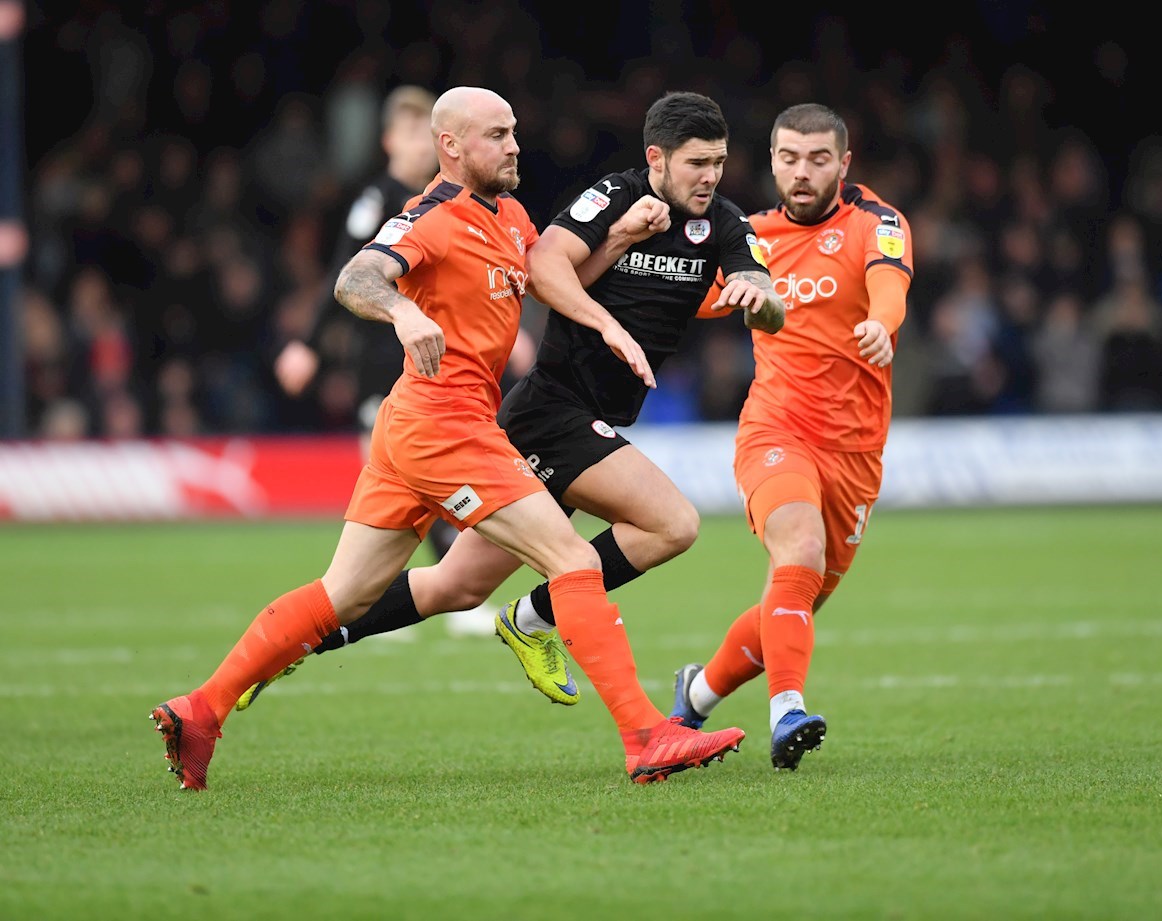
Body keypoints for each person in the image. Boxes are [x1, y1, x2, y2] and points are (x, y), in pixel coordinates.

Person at [149, 86, 748, 790]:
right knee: (572, 563)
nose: (515, 145)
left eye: (514, 131)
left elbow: (546, 281)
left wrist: (617, 240)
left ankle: (202, 707)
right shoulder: (429, 218)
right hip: (446, 427)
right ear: (451, 147)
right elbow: (356, 277)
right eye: (497, 135)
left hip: (423, 424)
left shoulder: (508, 214)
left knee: (344, 592)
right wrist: (402, 313)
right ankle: (646, 735)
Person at [669, 103, 913, 771]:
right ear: (771, 160)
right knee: (798, 547)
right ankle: (787, 712)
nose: (801, 173)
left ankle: (692, 697)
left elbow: (887, 288)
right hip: (775, 429)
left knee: (794, 590)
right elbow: (680, 296)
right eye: (787, 158)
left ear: (843, 163)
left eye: (816, 159)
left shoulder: (877, 223)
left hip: (856, 453)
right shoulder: (745, 235)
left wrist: (880, 326)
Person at [273, 84, 469, 561]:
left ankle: (419, 589)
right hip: (381, 358)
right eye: (409, 134)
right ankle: (405, 589)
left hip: (438, 356)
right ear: (388, 142)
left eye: (426, 135)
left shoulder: (447, 201)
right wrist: (308, 345)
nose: (420, 145)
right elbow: (345, 271)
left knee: (426, 473)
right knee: (392, 481)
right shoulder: (377, 200)